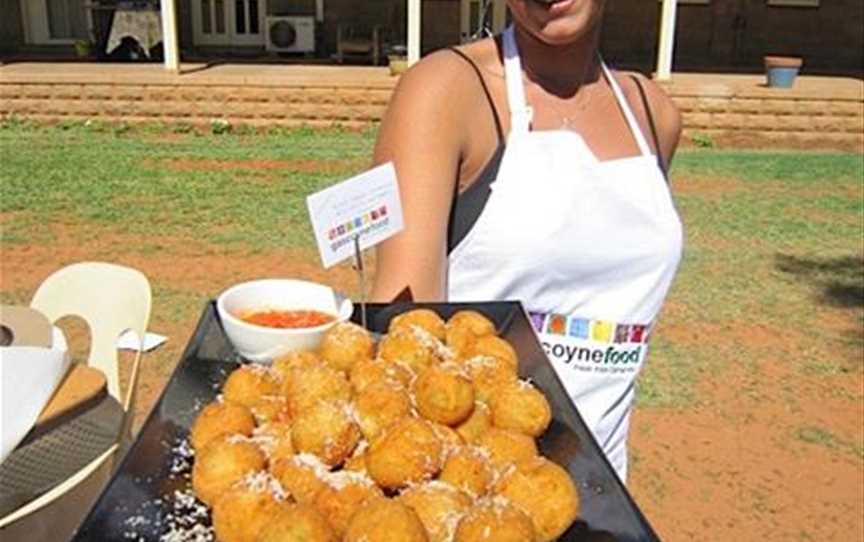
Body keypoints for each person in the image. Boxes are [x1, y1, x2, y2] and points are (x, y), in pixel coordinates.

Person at [370, 0, 684, 482]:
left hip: (604, 494)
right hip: (476, 492)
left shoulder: (653, 114)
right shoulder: (446, 91)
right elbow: (404, 335)